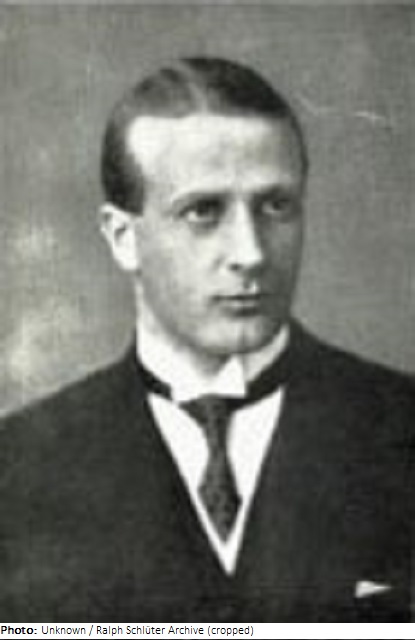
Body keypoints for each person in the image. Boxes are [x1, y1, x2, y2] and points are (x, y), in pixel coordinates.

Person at [0, 57, 414, 623]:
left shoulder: (400, 427)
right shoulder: (18, 468)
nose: (251, 252)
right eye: (203, 212)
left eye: (276, 206)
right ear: (122, 237)